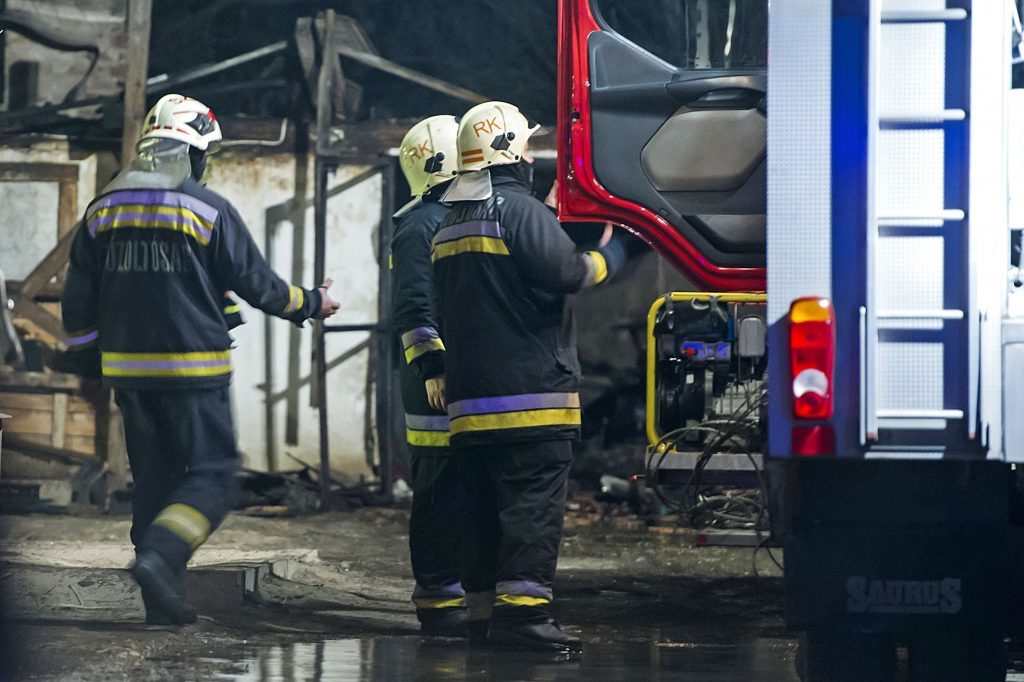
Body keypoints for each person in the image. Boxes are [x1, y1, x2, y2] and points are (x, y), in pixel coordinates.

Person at [61, 94, 340, 625]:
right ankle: (161, 557)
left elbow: (79, 304)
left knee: (156, 483)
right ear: (193, 153)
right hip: (195, 373)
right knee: (212, 479)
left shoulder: (102, 208)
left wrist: (86, 361)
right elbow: (261, 287)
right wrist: (313, 302)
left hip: (128, 378)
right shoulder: (206, 208)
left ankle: (162, 605)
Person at [431, 101, 626, 653]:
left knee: (482, 516)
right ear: (512, 154)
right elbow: (567, 272)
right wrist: (617, 254)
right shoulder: (516, 212)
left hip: (471, 405)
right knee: (530, 511)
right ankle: (525, 619)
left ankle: (483, 617)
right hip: (531, 398)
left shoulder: (451, 222)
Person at [391, 115, 467, 637]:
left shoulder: (446, 217)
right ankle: (438, 603)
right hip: (433, 383)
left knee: (457, 488)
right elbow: (415, 305)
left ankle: (454, 595)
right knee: (438, 490)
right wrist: (433, 367)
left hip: (449, 378)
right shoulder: (423, 226)